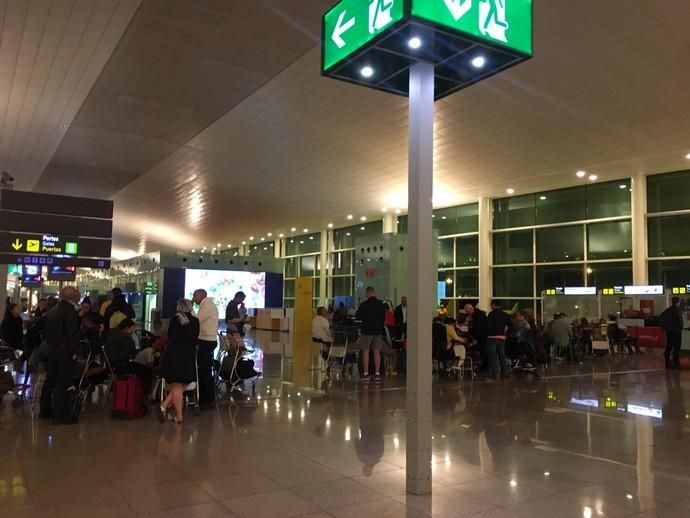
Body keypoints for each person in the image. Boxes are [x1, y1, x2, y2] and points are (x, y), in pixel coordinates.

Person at [40, 286, 81, 424]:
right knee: (63, 383)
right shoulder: (69, 312)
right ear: (73, 297)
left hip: (53, 350)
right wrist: (75, 351)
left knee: (50, 381)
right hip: (65, 352)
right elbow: (72, 334)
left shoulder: (52, 310)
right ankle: (60, 415)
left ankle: (45, 411)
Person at [159, 299, 199, 424]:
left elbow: (170, 336)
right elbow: (196, 337)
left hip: (174, 354)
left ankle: (169, 408)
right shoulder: (195, 321)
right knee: (183, 383)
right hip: (188, 355)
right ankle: (174, 413)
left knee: (177, 384)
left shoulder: (174, 320)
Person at [193, 289, 219, 406]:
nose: (194, 298)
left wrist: (190, 309)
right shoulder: (205, 305)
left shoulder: (208, 306)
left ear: (201, 295)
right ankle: (205, 394)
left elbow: (196, 320)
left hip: (207, 340)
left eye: (195, 295)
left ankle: (207, 396)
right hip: (205, 339)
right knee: (203, 368)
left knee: (204, 369)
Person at [356, 287, 386, 382]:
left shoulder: (364, 305)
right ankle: (377, 373)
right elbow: (383, 318)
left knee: (366, 351)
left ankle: (366, 373)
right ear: (374, 292)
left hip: (366, 331)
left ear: (368, 293)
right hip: (378, 331)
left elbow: (358, 316)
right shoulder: (381, 304)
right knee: (377, 351)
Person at [486, 300, 513, 381]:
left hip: (491, 338)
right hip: (501, 339)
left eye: (491, 305)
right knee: (502, 357)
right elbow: (512, 328)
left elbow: (487, 325)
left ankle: (494, 376)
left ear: (494, 305)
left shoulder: (491, 314)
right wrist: (505, 335)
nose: (491, 307)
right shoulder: (505, 315)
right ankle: (504, 375)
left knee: (493, 358)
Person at [660, 297, 684, 369]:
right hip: (676, 332)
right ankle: (676, 364)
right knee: (676, 348)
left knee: (669, 347)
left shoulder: (667, 310)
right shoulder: (678, 310)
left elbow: (661, 318)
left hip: (669, 332)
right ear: (678, 302)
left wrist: (665, 328)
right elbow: (679, 321)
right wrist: (680, 327)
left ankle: (667, 364)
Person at [465, 303, 488, 374]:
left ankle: (484, 368)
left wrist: (475, 338)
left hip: (482, 337)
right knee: (483, 353)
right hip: (483, 336)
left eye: (467, 312)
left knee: (483, 353)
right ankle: (484, 367)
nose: (467, 313)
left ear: (471, 309)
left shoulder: (477, 315)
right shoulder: (479, 314)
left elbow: (479, 328)